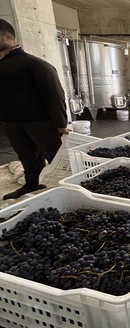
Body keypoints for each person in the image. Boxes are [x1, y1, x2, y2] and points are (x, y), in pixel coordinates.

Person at [0, 19, 69, 200]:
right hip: (11, 122)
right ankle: (32, 184)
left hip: (41, 122)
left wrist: (61, 123)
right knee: (27, 156)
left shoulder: (33, 64)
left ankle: (69, 188)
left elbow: (54, 94)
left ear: (8, 37)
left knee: (57, 157)